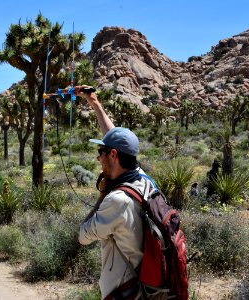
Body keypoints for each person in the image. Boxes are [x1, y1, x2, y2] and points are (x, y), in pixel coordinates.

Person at [74, 85, 147, 300]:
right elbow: (115, 137)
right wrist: (94, 103)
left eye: (100, 152)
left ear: (113, 155)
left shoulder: (117, 200)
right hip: (144, 288)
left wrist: (102, 195)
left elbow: (83, 236)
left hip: (124, 292)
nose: (98, 158)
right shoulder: (143, 179)